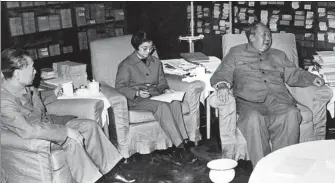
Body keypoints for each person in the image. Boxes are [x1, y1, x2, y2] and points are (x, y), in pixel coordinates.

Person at [0, 48, 134, 183]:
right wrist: (65, 131)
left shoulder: (22, 85)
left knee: (88, 126)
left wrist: (53, 94)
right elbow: (27, 130)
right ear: (17, 73)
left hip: (47, 126)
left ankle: (113, 172)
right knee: (71, 140)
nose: (35, 71)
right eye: (32, 68)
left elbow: (34, 101)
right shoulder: (4, 101)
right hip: (35, 138)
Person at [210, 22, 325, 166]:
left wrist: (312, 78)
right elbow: (222, 73)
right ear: (251, 37)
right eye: (264, 35)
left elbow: (294, 74)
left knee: (291, 113)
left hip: (279, 100)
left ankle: (284, 166)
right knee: (253, 118)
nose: (268, 39)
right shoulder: (235, 53)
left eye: (269, 36)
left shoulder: (279, 55)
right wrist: (222, 85)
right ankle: (262, 168)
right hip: (248, 103)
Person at [115, 31, 196, 157]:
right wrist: (137, 92)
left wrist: (165, 90)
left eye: (151, 48)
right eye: (144, 48)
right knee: (161, 106)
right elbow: (120, 86)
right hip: (136, 99)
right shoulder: (126, 64)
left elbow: (161, 82)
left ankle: (184, 138)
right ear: (136, 47)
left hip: (155, 95)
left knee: (175, 102)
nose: (149, 51)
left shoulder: (156, 62)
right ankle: (179, 144)